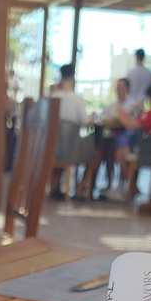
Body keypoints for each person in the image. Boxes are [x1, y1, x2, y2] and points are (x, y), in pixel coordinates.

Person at [49, 63, 87, 200]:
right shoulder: (77, 100)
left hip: (52, 147)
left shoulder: (52, 97)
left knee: (58, 147)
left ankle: (55, 185)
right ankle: (81, 188)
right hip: (71, 149)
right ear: (73, 78)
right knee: (94, 153)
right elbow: (84, 121)